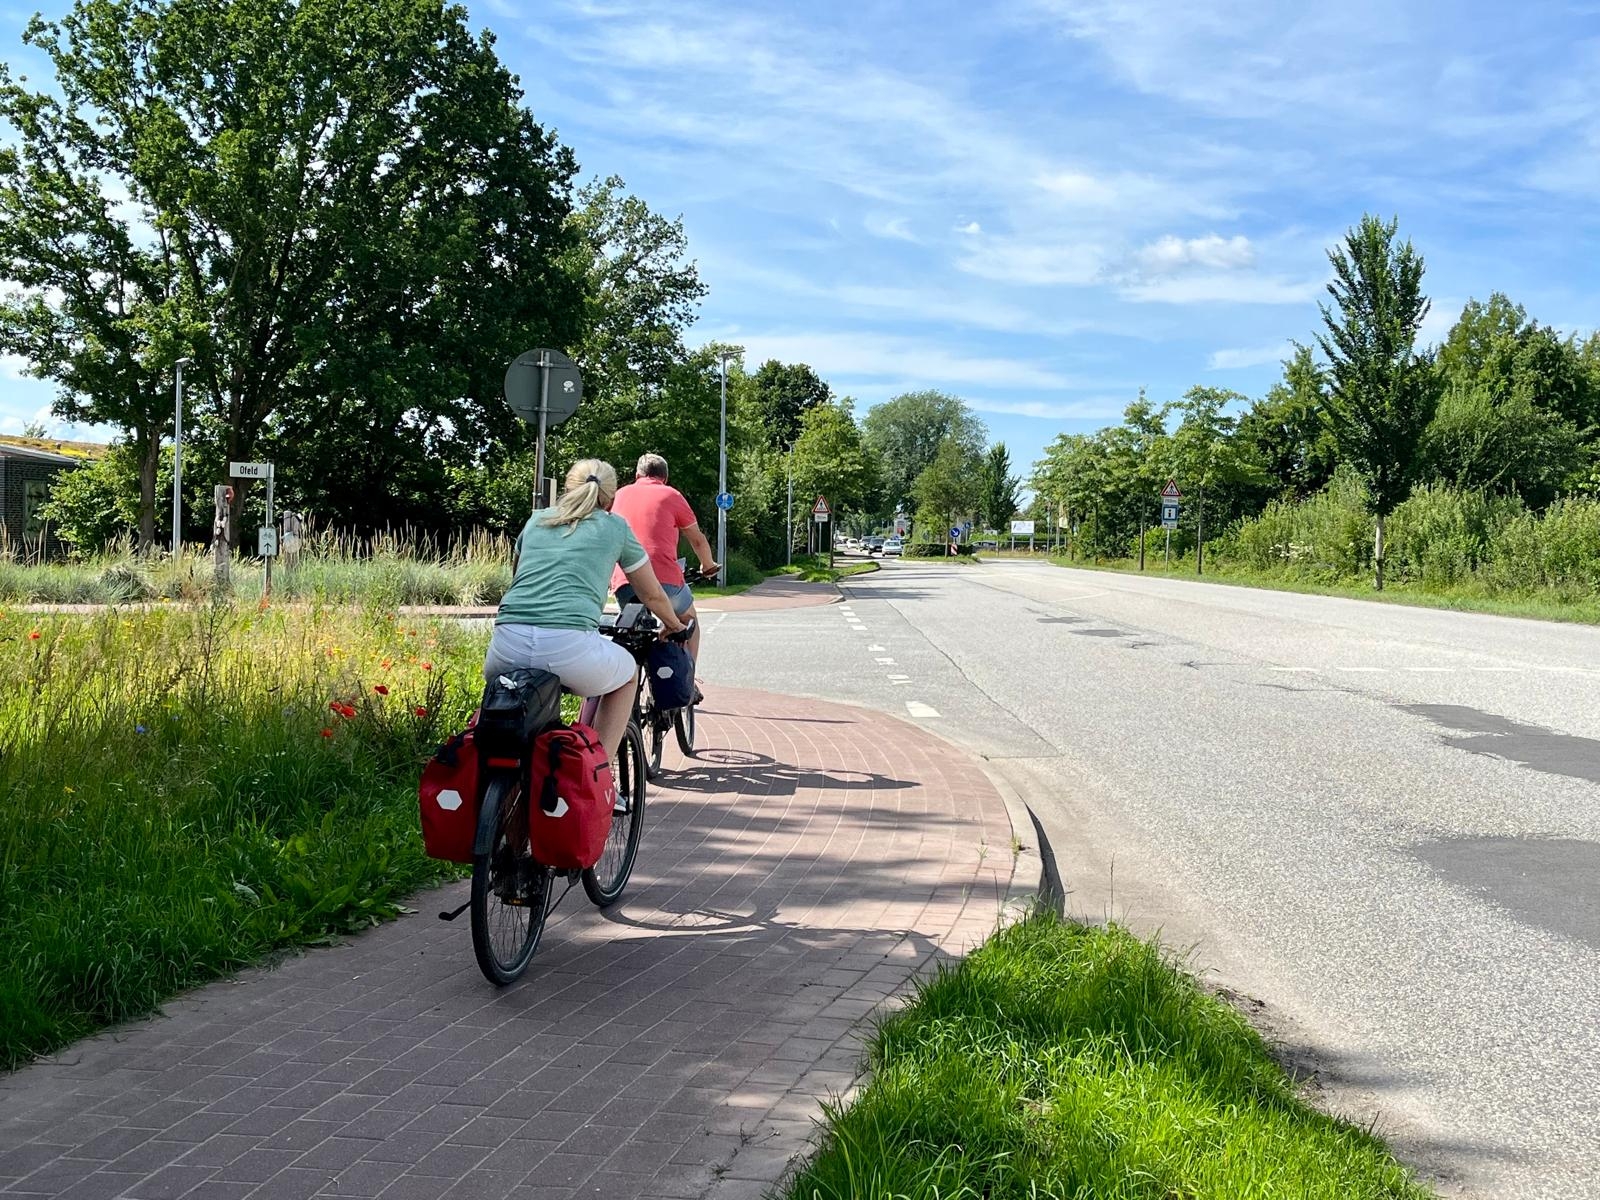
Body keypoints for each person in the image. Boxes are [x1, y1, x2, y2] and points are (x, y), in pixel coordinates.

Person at [484, 459, 686, 768]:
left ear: (569, 487)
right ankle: (597, 772)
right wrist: (673, 624)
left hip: (505, 646)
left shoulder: (535, 521)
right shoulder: (615, 527)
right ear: (610, 497)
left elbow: (519, 579)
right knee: (627, 676)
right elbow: (651, 594)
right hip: (567, 650)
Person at [610, 453, 717, 664]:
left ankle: (630, 673)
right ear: (665, 478)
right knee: (689, 621)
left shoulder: (618, 495)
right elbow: (697, 540)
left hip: (625, 581)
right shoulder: (672, 495)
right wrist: (708, 565)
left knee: (630, 632)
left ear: (637, 475)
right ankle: (688, 676)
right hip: (664, 581)